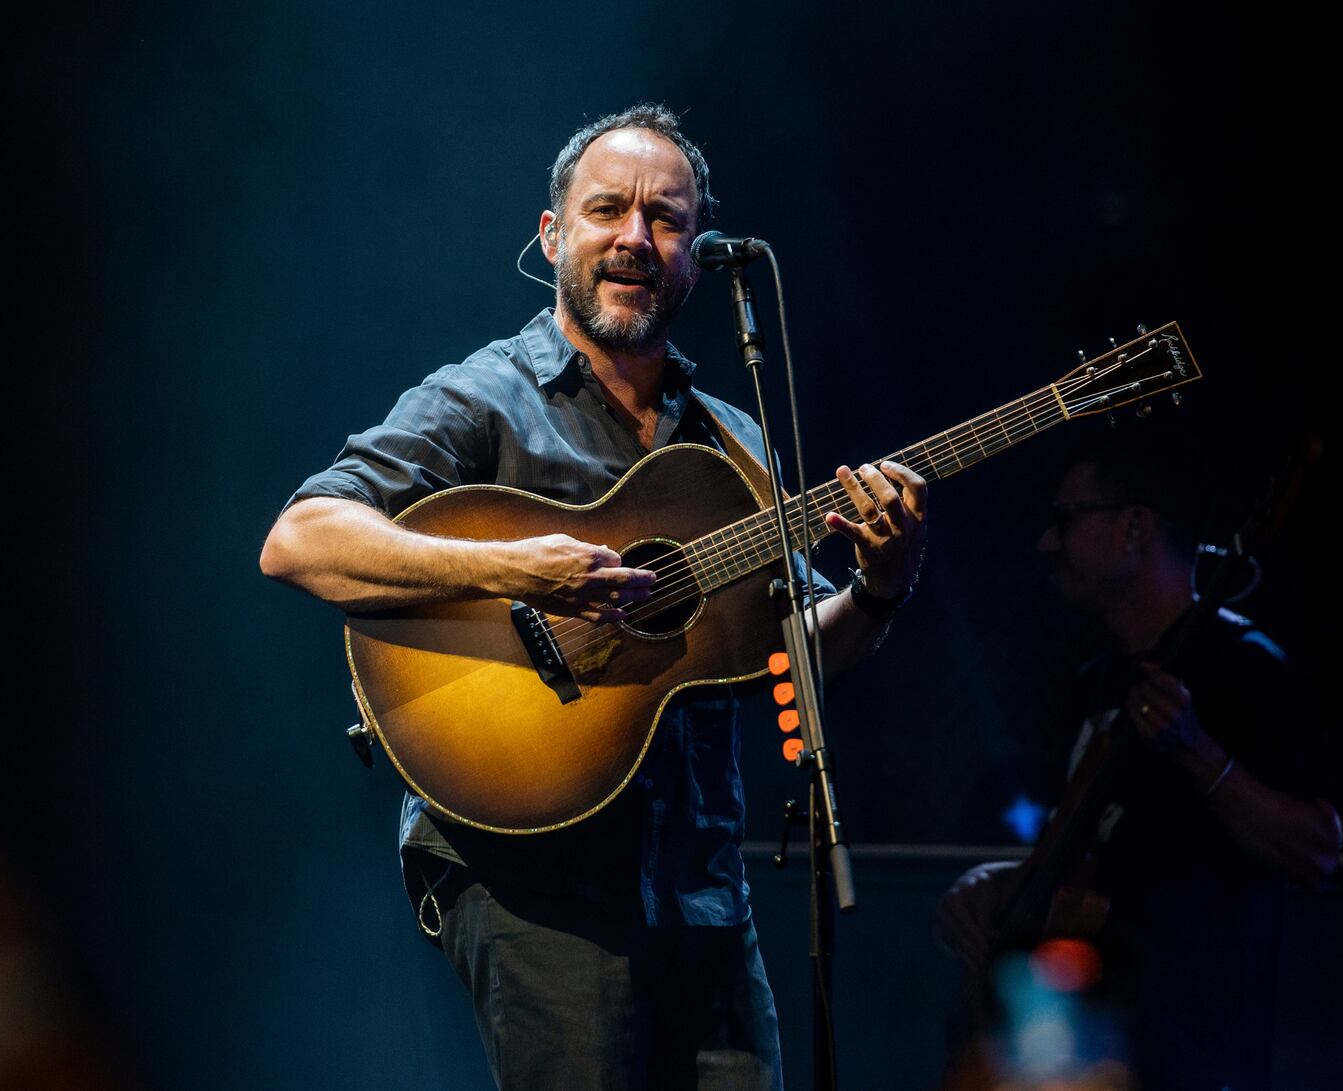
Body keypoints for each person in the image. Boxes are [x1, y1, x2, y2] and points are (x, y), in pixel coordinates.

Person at [259, 104, 927, 1090]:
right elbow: (300, 539)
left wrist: (883, 579)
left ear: (696, 251)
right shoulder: (481, 398)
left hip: (703, 893)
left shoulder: (733, 440)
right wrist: (508, 567)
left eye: (664, 218)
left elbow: (789, 650)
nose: (634, 238)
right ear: (551, 234)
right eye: (606, 210)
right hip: (535, 882)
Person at [936, 431, 1340, 1091]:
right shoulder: (1096, 681)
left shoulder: (1243, 668)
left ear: (1134, 527)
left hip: (1187, 1051)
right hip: (1080, 1046)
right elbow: (1106, 857)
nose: (1047, 543)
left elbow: (1318, 849)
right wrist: (1007, 882)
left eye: (1066, 521)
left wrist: (1197, 752)